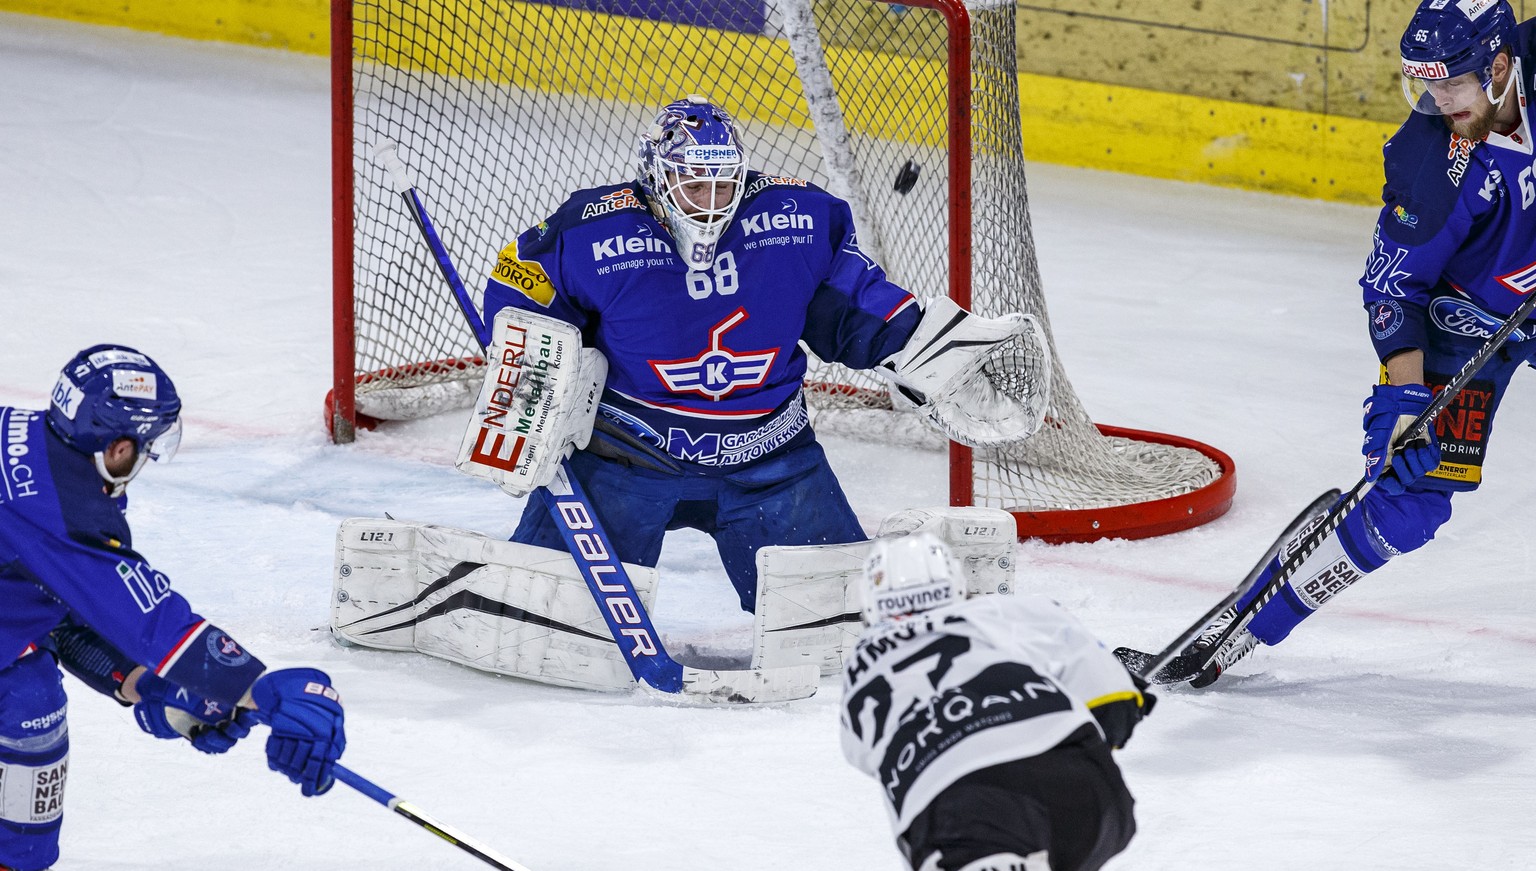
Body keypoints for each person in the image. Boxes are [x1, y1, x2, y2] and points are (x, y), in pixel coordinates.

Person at [478, 94, 1040, 613]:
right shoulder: (590, 229)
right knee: (544, 610)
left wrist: (928, 349)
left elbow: (849, 306)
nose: (710, 202)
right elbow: (520, 293)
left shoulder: (795, 219)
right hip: (625, 456)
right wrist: (532, 381)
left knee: (838, 619)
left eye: (723, 185)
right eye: (693, 186)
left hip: (771, 458)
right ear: (656, 177)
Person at [1182, 0, 1536, 687]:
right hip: (1464, 327)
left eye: (1452, 83)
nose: (1437, 101)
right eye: (1425, 84)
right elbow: (1393, 289)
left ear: (1500, 65)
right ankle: (1255, 627)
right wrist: (1403, 396)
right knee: (1409, 503)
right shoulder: (1432, 161)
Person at [0, 344, 347, 871]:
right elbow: (148, 617)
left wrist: (147, 682)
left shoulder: (31, 442)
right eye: (146, 443)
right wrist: (253, 687)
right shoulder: (60, 507)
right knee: (28, 700)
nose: (147, 457)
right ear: (116, 447)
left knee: (29, 698)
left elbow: (56, 603)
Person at [840, 534, 1152, 871]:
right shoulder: (1003, 610)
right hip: (1085, 791)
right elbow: (1109, 699)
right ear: (955, 584)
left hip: (964, 807)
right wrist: (1118, 702)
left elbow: (860, 752)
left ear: (871, 605)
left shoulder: (861, 669)